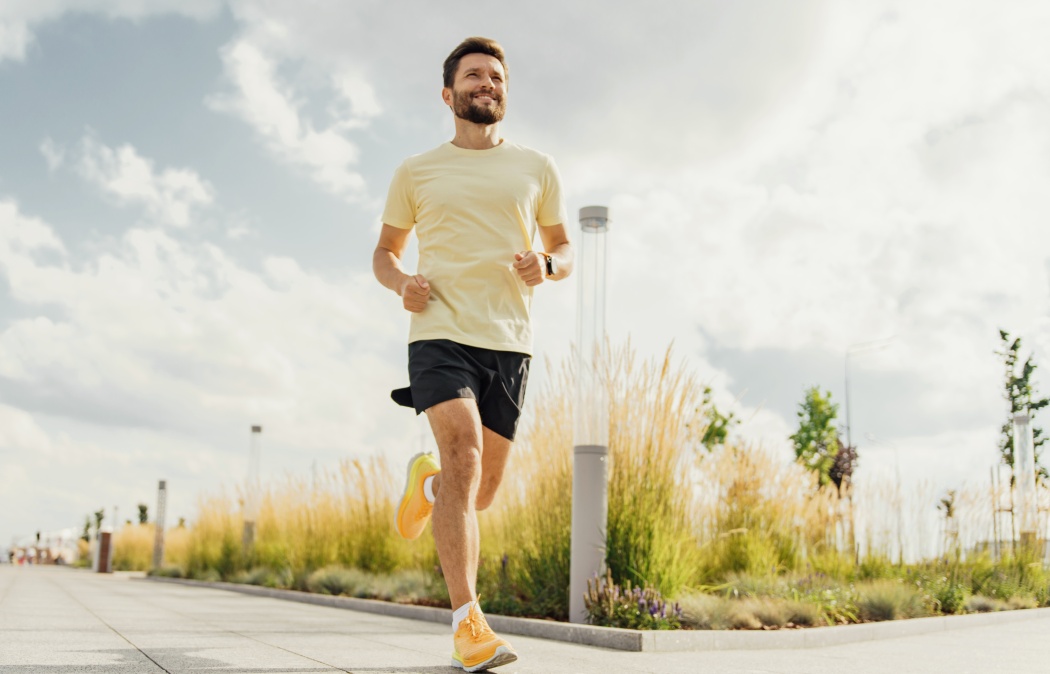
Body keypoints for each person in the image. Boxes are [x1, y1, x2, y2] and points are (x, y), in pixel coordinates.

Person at [373, 36, 573, 673]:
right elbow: (385, 253)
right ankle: (468, 625)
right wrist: (401, 284)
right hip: (438, 332)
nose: (488, 83)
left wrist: (546, 265)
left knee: (478, 491)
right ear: (448, 94)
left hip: (509, 342)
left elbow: (564, 248)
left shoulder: (537, 167)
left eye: (496, 76)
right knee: (463, 449)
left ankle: (428, 484)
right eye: (474, 75)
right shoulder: (416, 171)